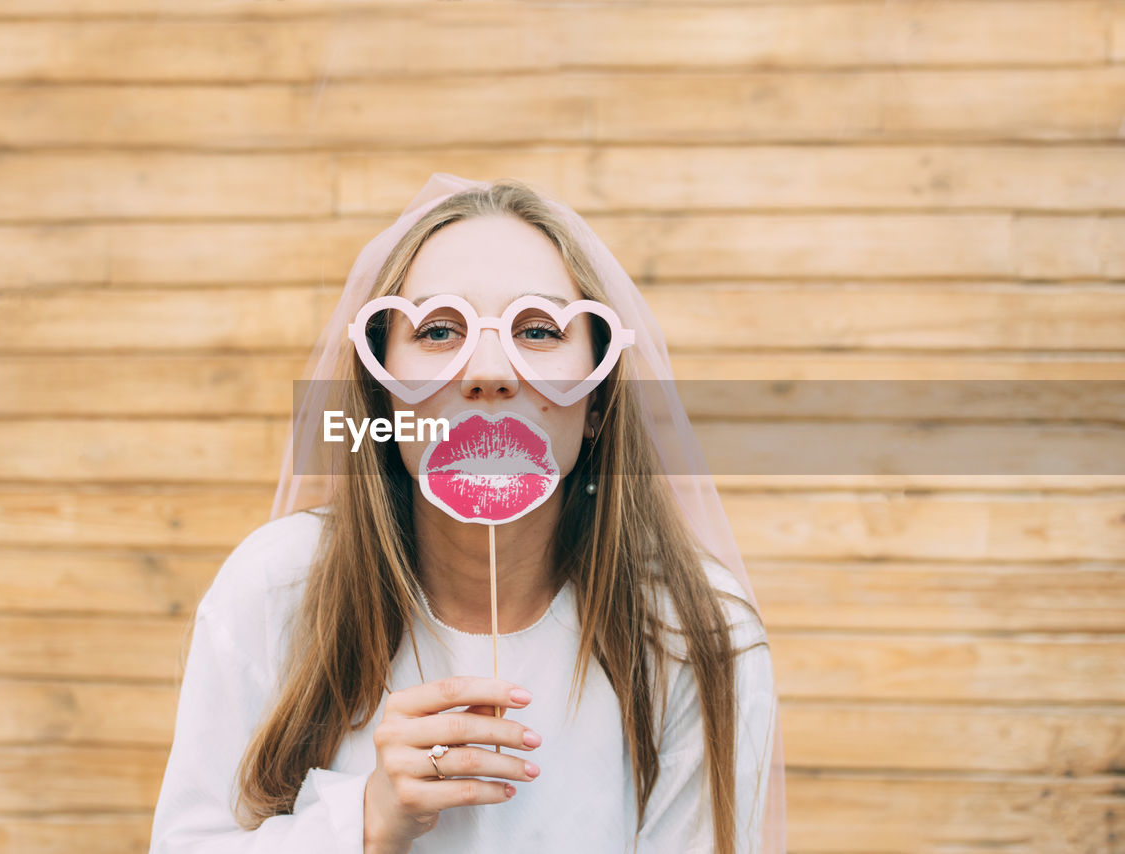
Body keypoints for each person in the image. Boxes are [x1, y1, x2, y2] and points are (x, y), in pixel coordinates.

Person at [150, 174, 787, 853]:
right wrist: (364, 822)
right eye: (438, 330)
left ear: (598, 401)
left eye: (539, 330)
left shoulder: (696, 637)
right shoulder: (273, 589)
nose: (489, 369)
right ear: (383, 397)